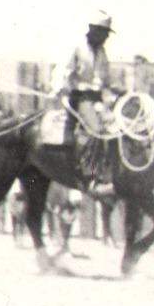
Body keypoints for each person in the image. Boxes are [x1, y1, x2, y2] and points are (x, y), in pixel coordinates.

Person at [56, 10, 116, 198]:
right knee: (96, 130)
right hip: (79, 97)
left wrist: (115, 90)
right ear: (93, 30)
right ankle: (91, 176)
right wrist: (61, 90)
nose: (106, 37)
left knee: (116, 127)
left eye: (107, 34)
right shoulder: (77, 47)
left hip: (96, 98)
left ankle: (109, 172)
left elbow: (105, 78)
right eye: (104, 33)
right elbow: (63, 71)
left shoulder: (101, 52)